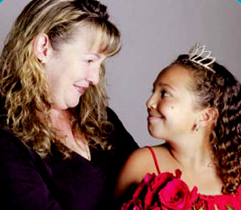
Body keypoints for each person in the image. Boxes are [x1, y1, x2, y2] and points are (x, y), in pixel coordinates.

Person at [0, 0, 138, 209]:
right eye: (89, 61)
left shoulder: (102, 119)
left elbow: (153, 181)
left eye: (100, 64)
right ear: (43, 48)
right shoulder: (6, 137)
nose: (95, 78)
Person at [115, 44, 241, 209]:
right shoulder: (141, 164)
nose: (150, 102)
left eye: (165, 94)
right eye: (153, 91)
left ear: (205, 116)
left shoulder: (236, 168)